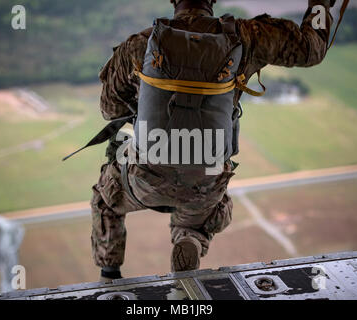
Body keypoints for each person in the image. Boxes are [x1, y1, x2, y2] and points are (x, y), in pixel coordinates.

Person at [91, 0, 337, 282]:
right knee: (207, 202)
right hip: (205, 183)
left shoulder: (139, 45)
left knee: (105, 198)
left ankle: (109, 272)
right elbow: (312, 50)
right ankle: (192, 236)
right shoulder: (247, 36)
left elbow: (110, 110)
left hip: (146, 178)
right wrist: (320, 5)